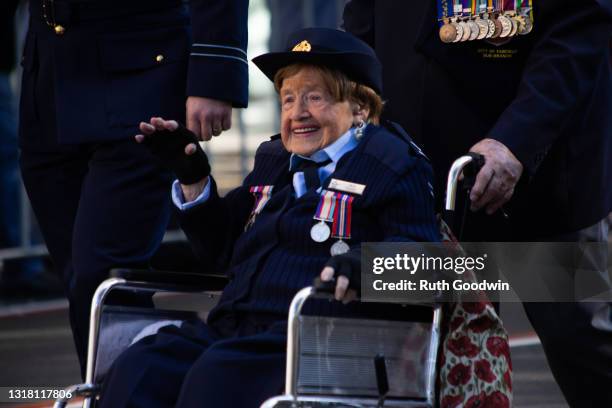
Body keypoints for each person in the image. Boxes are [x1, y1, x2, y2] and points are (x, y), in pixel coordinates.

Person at [97, 28, 441, 408]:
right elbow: (222, 250)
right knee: (143, 366)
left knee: (217, 376)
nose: (297, 113)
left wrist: (364, 265)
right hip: (237, 329)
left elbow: (424, 253)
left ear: (359, 107)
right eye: (288, 99)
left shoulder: (392, 162)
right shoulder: (274, 160)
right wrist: (192, 176)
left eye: (315, 97)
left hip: (322, 338)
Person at [343, 0, 612, 406]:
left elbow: (579, 25)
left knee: (584, 348)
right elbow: (363, 22)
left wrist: (517, 140)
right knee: (422, 362)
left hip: (538, 173)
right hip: (418, 180)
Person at [18, 0, 248, 375]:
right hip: (49, 79)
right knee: (85, 284)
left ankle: (129, 393)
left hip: (140, 77)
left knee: (103, 275)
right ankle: (119, 392)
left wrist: (214, 71)